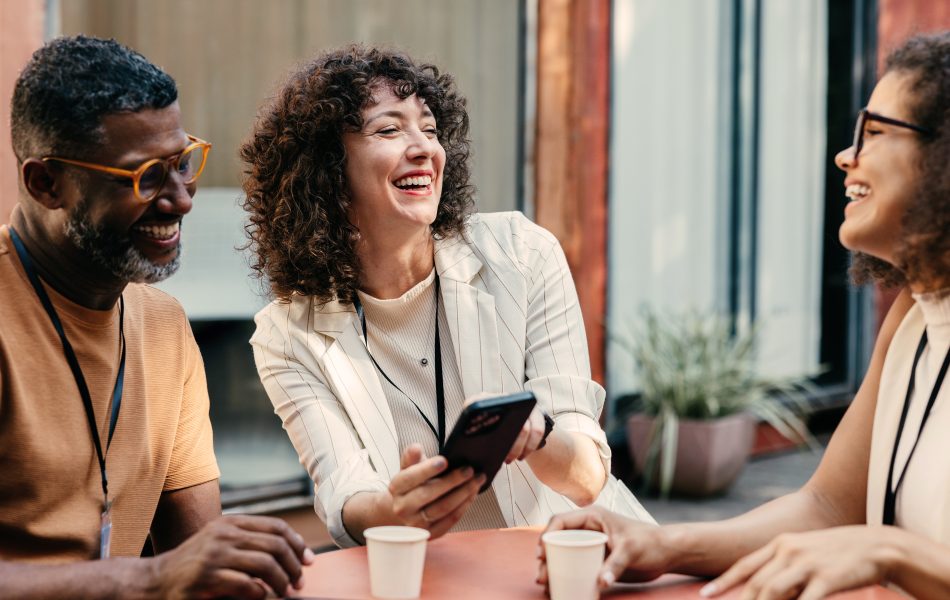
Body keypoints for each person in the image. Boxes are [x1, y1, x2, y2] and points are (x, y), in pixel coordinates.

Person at [538, 32, 950, 599]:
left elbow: (863, 537)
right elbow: (828, 507)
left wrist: (891, 551)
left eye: (876, 133)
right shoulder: (915, 317)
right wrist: (659, 545)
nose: (846, 155)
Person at [241, 45, 652, 548]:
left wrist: (537, 431)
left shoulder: (523, 254)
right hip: (432, 576)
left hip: (577, 556)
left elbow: (587, 478)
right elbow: (344, 493)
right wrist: (395, 510)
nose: (424, 149)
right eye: (389, 129)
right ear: (325, 170)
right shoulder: (286, 335)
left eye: (430, 130)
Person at [0, 36, 312, 598]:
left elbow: (198, 555)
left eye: (182, 163)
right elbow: (166, 573)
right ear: (45, 184)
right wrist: (148, 578)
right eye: (145, 176)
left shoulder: (165, 326)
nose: (181, 198)